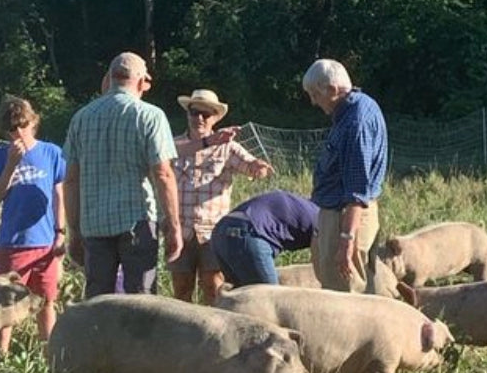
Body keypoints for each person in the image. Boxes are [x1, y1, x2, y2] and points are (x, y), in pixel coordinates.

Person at [63, 51, 182, 298]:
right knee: (141, 302)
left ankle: (100, 338)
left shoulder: (81, 118)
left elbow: (71, 180)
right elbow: (163, 174)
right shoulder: (150, 116)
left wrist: (73, 230)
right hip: (136, 222)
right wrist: (173, 226)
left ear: (108, 79)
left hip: (93, 225)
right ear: (140, 82)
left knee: (98, 304)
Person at [170, 89, 274, 304]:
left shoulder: (227, 148)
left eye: (205, 114)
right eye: (194, 112)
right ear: (187, 114)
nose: (198, 118)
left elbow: (251, 165)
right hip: (180, 230)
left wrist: (258, 167)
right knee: (180, 289)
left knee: (213, 287)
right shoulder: (173, 145)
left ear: (215, 118)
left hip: (213, 232)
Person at [0, 96, 66, 351]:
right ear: (4, 131)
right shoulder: (0, 157)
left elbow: (59, 194)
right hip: (13, 242)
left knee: (46, 300)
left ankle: (49, 354)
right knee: (6, 303)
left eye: (23, 124)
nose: (18, 132)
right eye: (11, 129)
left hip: (45, 243)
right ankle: (2, 354)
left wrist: (61, 232)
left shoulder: (51, 152)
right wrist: (10, 165)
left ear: (34, 122)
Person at [302, 59, 388, 293]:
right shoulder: (355, 110)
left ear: (332, 89)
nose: (313, 101)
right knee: (336, 283)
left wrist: (346, 240)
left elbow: (356, 190)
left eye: (315, 94)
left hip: (347, 216)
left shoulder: (355, 122)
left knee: (344, 291)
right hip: (340, 213)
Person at [211, 190, 318, 286]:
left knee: (238, 300)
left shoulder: (306, 207)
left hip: (221, 230)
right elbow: (322, 262)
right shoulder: (322, 220)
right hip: (249, 232)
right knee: (270, 298)